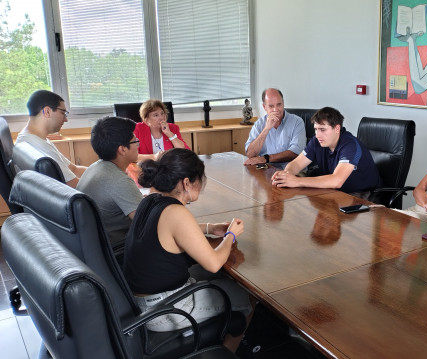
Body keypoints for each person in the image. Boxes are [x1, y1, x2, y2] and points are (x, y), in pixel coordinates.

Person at [123, 148, 251, 350]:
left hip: (142, 302)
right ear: (186, 182)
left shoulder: (148, 200)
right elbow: (213, 263)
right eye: (201, 178)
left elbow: (170, 230)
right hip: (166, 310)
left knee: (227, 279)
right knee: (246, 294)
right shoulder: (175, 212)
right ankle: (225, 353)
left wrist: (211, 227)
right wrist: (231, 235)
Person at [271, 107, 382, 195]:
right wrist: (286, 175)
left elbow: (337, 181)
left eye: (323, 130)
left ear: (337, 129)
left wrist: (296, 181)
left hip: (363, 195)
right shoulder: (317, 141)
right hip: (335, 192)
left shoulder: (350, 145)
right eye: (316, 129)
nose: (318, 135)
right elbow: (297, 163)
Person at [77, 116, 143, 257]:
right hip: (120, 251)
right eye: (135, 141)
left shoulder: (95, 167)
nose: (138, 145)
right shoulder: (119, 181)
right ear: (122, 150)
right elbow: (147, 222)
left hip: (98, 248)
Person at [15, 90, 86, 188]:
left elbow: (74, 169)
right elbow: (74, 185)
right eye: (63, 113)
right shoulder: (38, 146)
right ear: (47, 111)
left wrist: (100, 172)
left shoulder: (33, 139)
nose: (66, 119)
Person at [243, 88, 305, 166]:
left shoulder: (297, 122)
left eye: (279, 104)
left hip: (291, 171)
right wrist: (266, 129)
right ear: (264, 107)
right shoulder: (259, 124)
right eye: (271, 106)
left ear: (283, 103)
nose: (276, 110)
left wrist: (266, 158)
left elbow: (295, 153)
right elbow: (250, 154)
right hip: (267, 170)